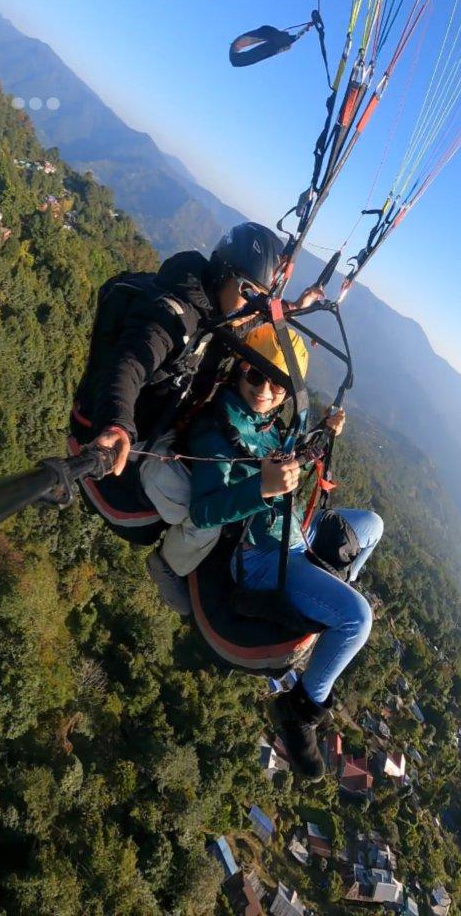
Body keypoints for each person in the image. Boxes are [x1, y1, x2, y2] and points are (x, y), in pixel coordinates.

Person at [72, 222, 323, 606]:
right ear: (223, 275)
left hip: (170, 429)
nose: (253, 306)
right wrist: (118, 423)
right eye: (248, 293)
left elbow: (255, 312)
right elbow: (130, 365)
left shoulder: (224, 313)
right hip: (135, 441)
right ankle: (168, 566)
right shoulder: (172, 317)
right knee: (209, 515)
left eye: (260, 298)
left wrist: (292, 307)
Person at [187, 323, 384, 780]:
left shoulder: (264, 424)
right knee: (358, 620)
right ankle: (301, 710)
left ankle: (325, 594)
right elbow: (203, 512)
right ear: (239, 371)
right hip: (262, 556)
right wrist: (260, 490)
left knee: (372, 525)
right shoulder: (215, 431)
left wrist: (324, 430)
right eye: (256, 377)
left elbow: (290, 447)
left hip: (294, 530)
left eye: (278, 385)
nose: (266, 391)